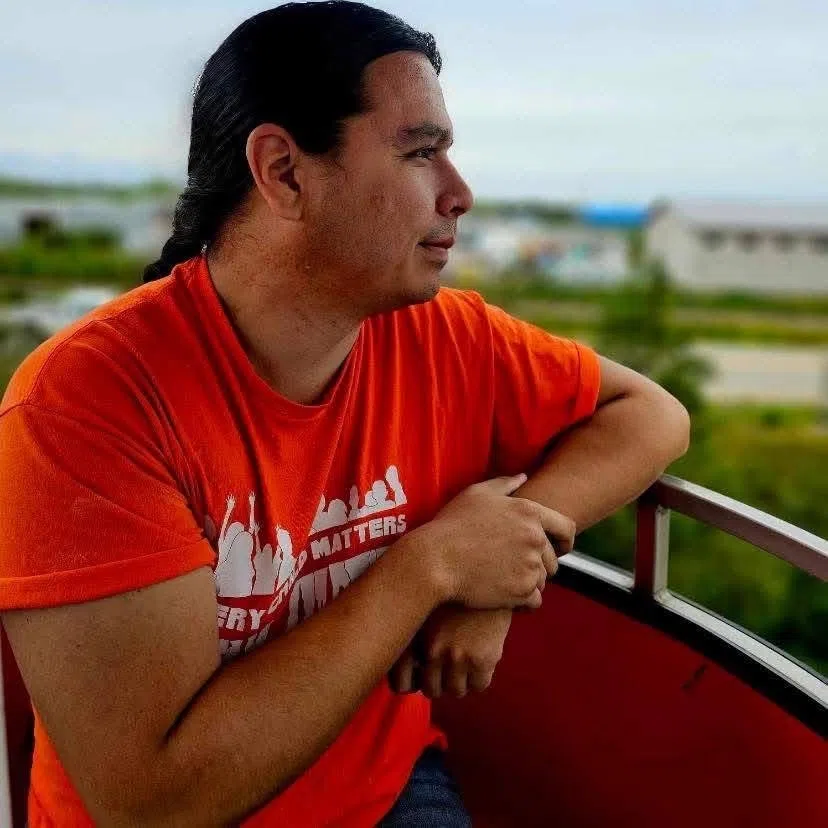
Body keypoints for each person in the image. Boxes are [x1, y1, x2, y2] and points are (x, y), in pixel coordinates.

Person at [0, 3, 691, 826]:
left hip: (380, 794)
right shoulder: (87, 403)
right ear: (284, 173)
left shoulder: (442, 336)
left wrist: (507, 557)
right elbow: (154, 805)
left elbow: (649, 414)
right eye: (421, 153)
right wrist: (428, 568)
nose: (460, 194)